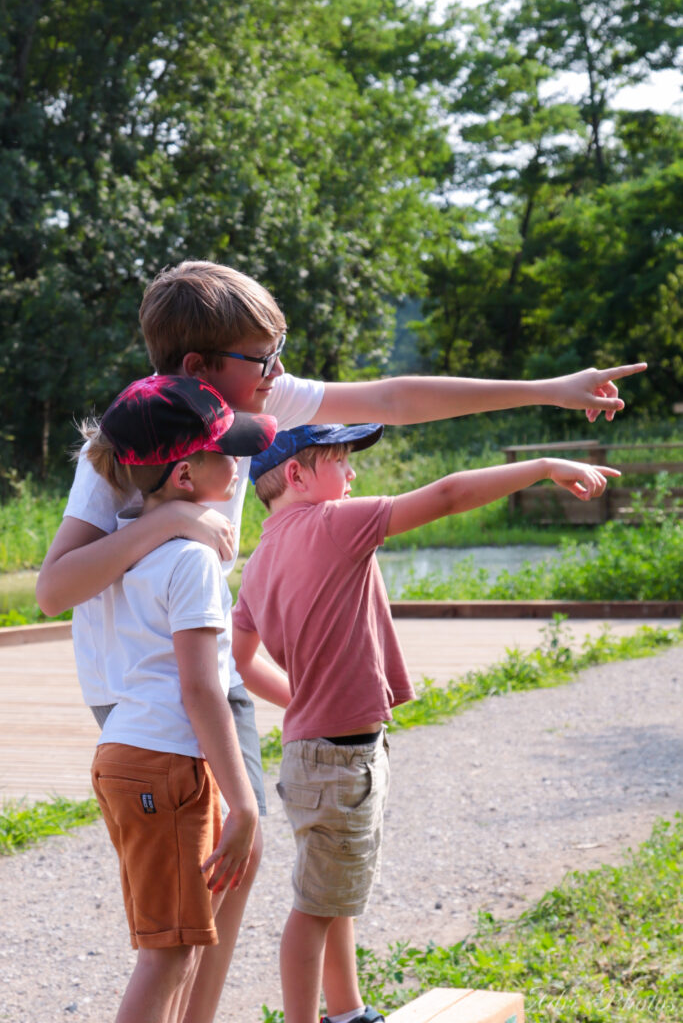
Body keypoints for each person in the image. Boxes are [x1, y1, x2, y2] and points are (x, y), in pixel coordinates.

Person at [35, 259, 646, 1020]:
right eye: (264, 356)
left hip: (208, 668)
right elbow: (54, 589)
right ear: (202, 366)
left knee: (239, 862)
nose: (280, 370)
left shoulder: (254, 401)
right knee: (183, 913)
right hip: (141, 696)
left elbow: (395, 396)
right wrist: (165, 520)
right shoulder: (136, 442)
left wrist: (550, 387)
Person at [230, 422, 622, 1023]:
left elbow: (238, 658)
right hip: (341, 756)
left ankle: (347, 1010)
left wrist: (303, 700)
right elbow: (446, 496)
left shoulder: (260, 560)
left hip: (315, 747)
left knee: (332, 894)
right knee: (314, 908)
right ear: (298, 475)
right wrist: (542, 464)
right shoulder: (336, 523)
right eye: (342, 461)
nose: (354, 475)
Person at [84, 374, 277, 1023]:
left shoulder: (130, 546)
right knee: (167, 956)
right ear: (188, 475)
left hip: (129, 755)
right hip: (164, 763)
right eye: (228, 453)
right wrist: (244, 802)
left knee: (178, 946)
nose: (240, 463)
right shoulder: (191, 559)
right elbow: (200, 687)